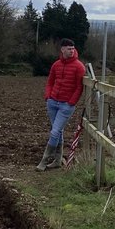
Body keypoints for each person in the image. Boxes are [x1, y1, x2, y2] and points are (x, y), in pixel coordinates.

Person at [36, 38, 84, 171]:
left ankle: (44, 160)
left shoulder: (79, 66)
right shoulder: (56, 65)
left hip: (66, 105)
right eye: (69, 48)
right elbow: (50, 82)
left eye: (73, 48)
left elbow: (79, 87)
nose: (71, 51)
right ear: (62, 49)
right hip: (52, 102)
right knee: (58, 131)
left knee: (55, 131)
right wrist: (48, 96)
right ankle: (57, 160)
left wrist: (71, 102)